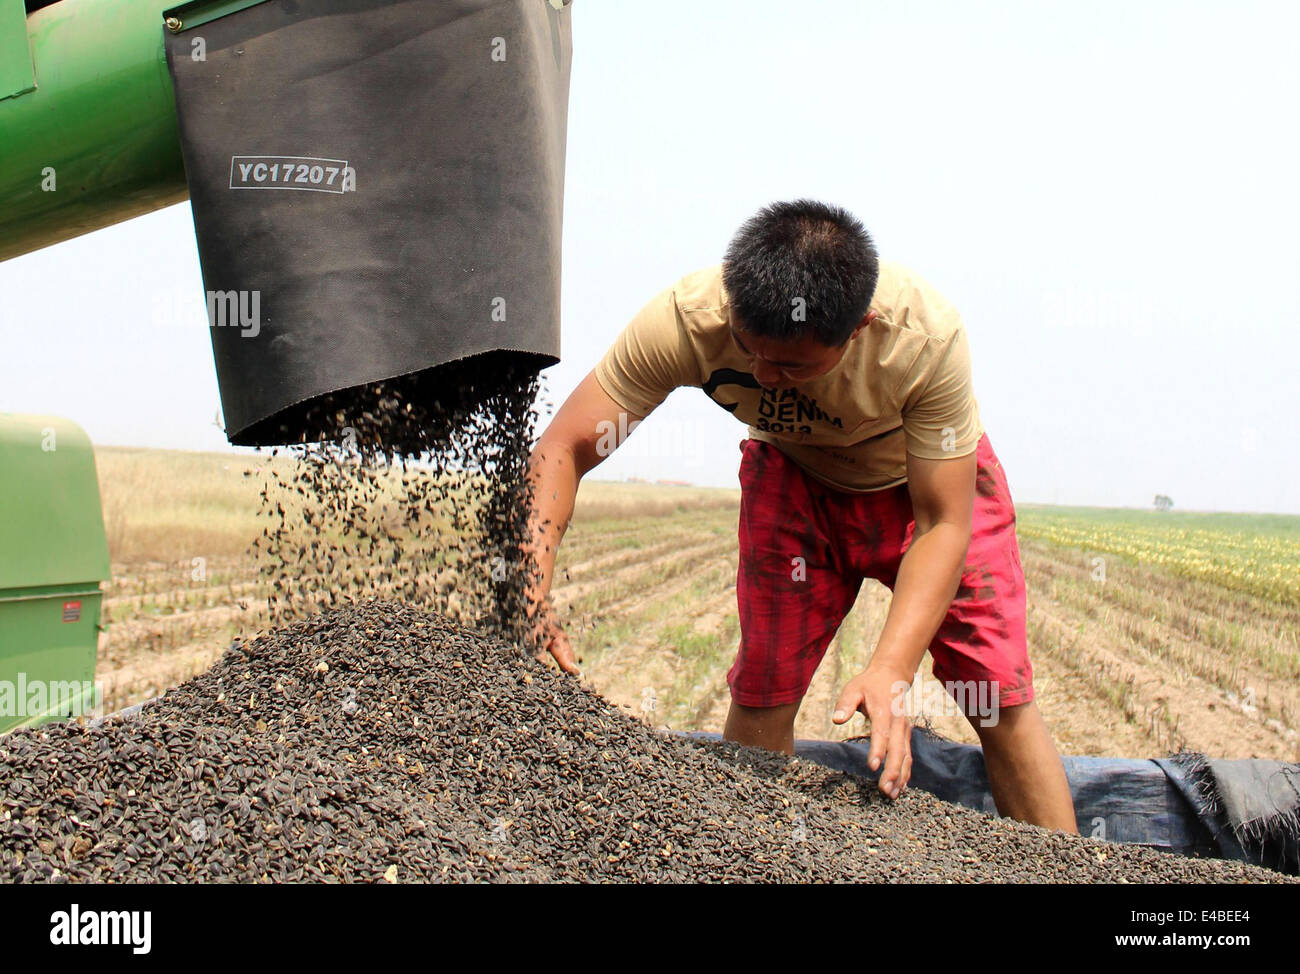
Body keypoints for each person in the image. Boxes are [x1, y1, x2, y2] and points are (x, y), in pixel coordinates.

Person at [523, 199, 1077, 831]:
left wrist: (892, 667)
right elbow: (564, 447)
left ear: (859, 328)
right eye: (747, 351)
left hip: (918, 488)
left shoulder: (924, 339)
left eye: (789, 366)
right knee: (764, 688)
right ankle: (752, 853)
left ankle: (1065, 868)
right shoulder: (686, 320)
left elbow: (945, 522)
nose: (762, 375)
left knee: (997, 695)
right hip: (797, 479)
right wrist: (530, 589)